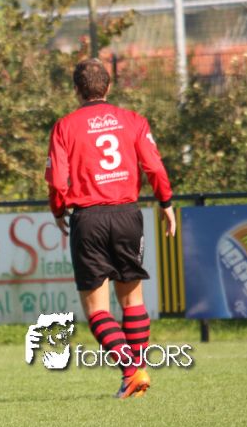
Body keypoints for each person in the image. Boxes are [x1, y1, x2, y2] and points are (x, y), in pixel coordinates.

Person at [45, 58, 176, 399]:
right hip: (127, 214)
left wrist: (58, 209)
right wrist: (166, 202)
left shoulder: (65, 126)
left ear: (76, 90)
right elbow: (154, 166)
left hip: (89, 218)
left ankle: (131, 372)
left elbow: (57, 180)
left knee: (97, 311)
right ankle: (138, 372)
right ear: (109, 86)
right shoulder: (133, 120)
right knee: (133, 299)